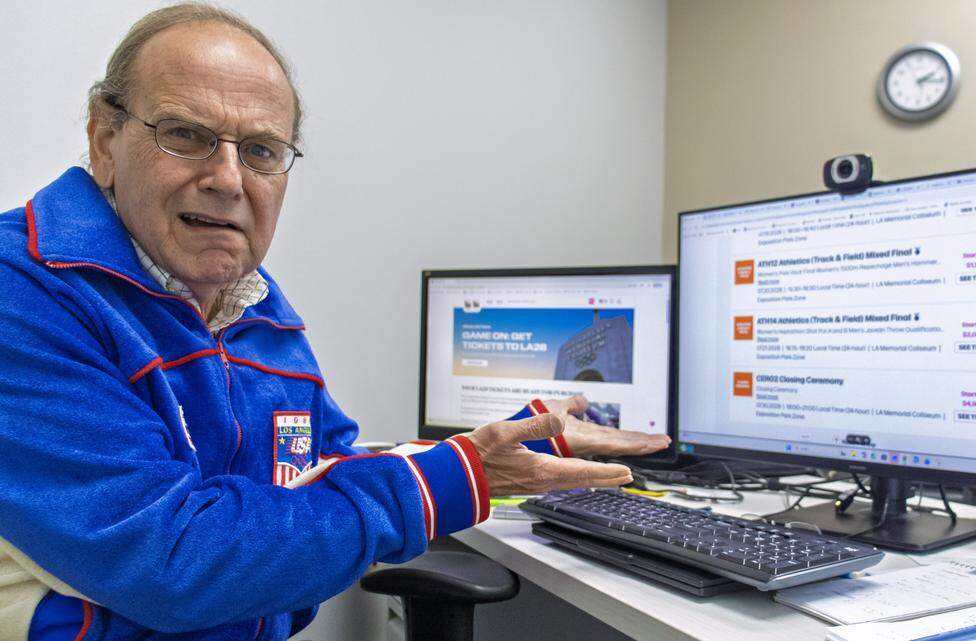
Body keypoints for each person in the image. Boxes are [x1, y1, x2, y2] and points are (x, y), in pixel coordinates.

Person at [0, 5, 669, 640]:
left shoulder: (254, 305)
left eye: (261, 150)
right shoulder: (26, 290)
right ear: (103, 138)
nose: (228, 178)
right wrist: (450, 481)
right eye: (186, 134)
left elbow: (325, 467)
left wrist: (518, 448)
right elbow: (172, 559)